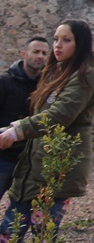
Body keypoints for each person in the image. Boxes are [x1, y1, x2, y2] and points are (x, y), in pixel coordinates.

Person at [0, 20, 94, 239]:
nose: (57, 45)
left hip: (57, 169)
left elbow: (58, 116)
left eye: (66, 40)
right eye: (56, 39)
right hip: (35, 165)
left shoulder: (84, 76)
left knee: (43, 233)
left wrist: (16, 131)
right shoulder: (57, 73)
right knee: (9, 231)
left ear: (81, 44)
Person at [0, 37, 48, 199]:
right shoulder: (4, 82)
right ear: (23, 54)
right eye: (36, 52)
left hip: (30, 161)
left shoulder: (46, 87)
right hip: (3, 157)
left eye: (44, 53)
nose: (40, 56)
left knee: (20, 214)